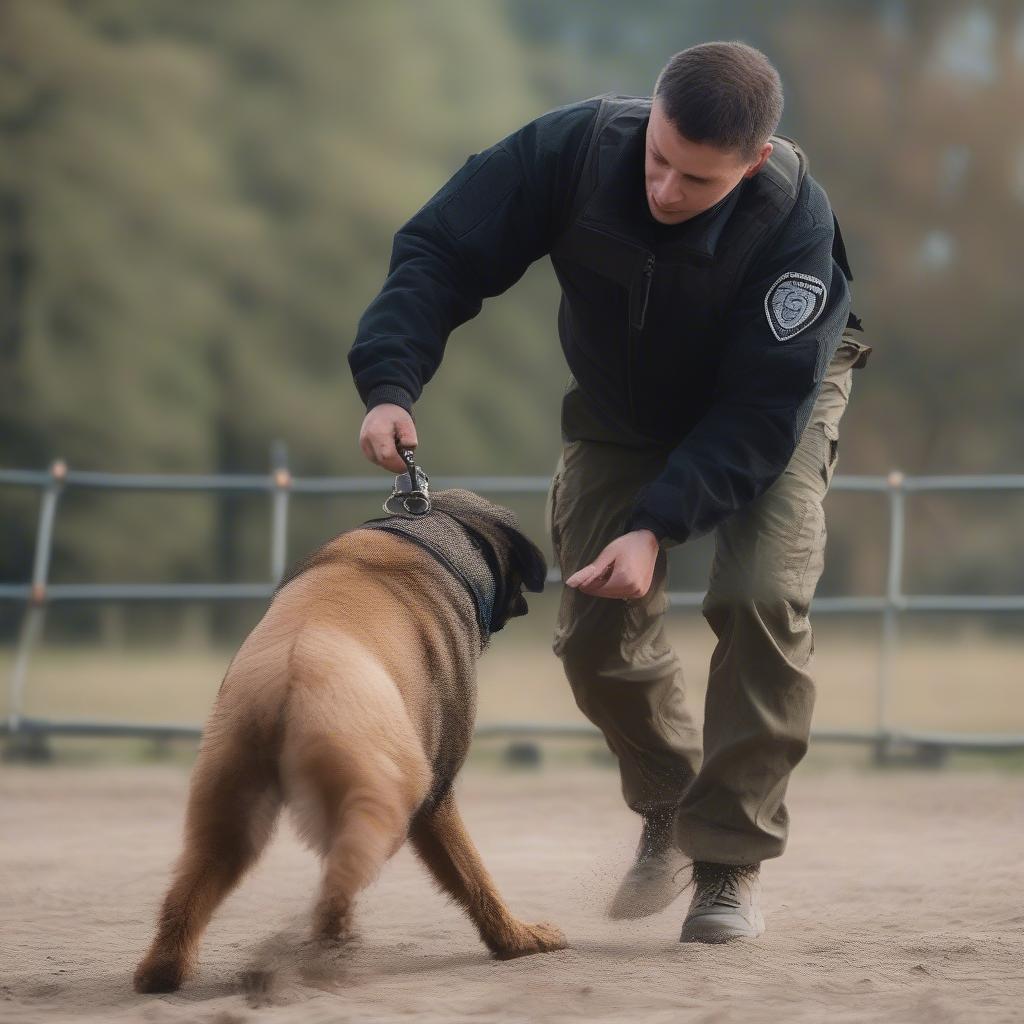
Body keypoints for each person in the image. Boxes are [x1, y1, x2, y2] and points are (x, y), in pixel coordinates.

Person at [348, 41, 871, 943]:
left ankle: (727, 859)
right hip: (622, 403)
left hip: (767, 411)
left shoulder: (796, 226)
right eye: (658, 157)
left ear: (752, 162)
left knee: (759, 596)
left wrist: (657, 526)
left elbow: (759, 410)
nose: (665, 190)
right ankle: (672, 805)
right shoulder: (575, 150)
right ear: (650, 114)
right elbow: (440, 251)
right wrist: (391, 383)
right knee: (592, 636)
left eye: (696, 180)